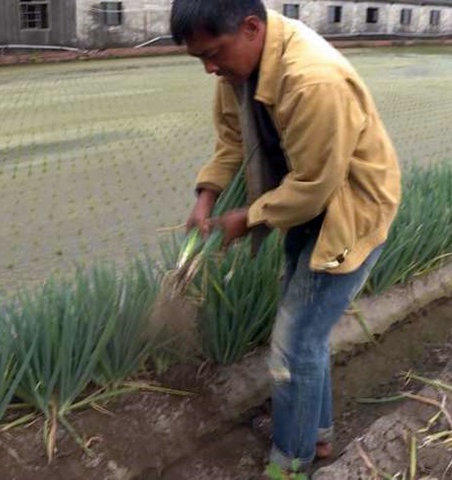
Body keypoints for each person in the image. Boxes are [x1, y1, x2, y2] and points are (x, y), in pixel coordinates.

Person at [170, 0, 402, 476]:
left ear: (252, 27)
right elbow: (233, 140)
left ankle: (289, 462)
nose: (209, 68)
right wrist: (206, 197)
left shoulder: (312, 80)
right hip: (302, 208)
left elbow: (315, 186)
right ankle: (315, 438)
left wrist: (249, 218)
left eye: (213, 53)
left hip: (348, 212)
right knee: (305, 335)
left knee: (294, 344)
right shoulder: (238, 70)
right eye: (199, 59)